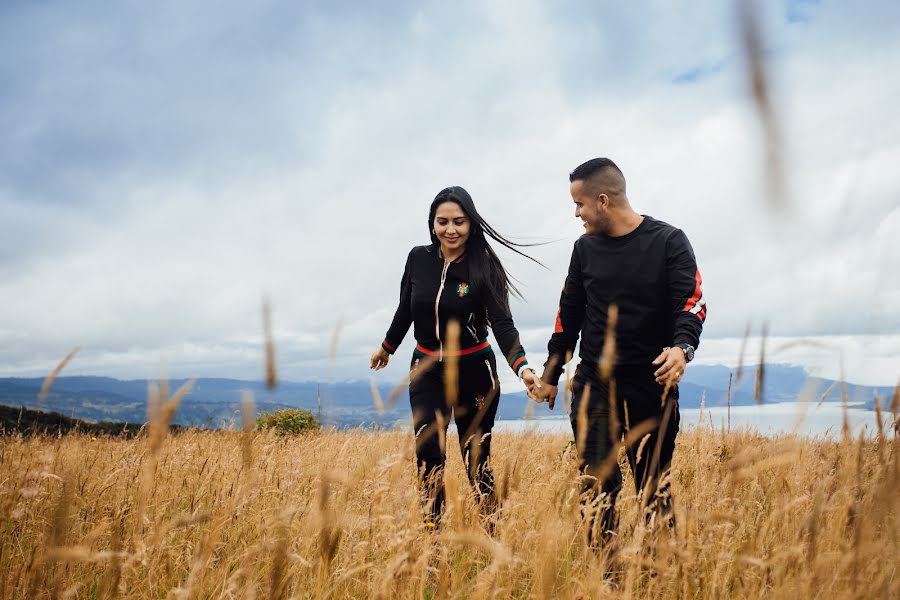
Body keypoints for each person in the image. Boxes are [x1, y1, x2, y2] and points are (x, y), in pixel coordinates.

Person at [529, 158, 706, 548]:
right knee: (595, 486)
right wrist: (550, 377)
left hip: (651, 386)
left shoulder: (668, 241)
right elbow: (567, 318)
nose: (576, 213)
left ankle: (658, 577)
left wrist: (682, 349)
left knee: (653, 490)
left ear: (603, 201)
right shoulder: (584, 249)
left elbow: (691, 303)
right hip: (594, 385)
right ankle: (603, 579)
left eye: (580, 204)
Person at [370, 186, 543, 530]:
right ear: (432, 223)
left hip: (474, 371)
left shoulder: (485, 266)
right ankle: (432, 542)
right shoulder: (418, 258)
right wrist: (387, 347)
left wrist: (522, 368)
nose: (451, 229)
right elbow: (406, 307)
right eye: (443, 221)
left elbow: (503, 324)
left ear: (471, 223)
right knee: (428, 456)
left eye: (459, 222)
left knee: (475, 458)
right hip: (426, 369)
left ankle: (492, 534)